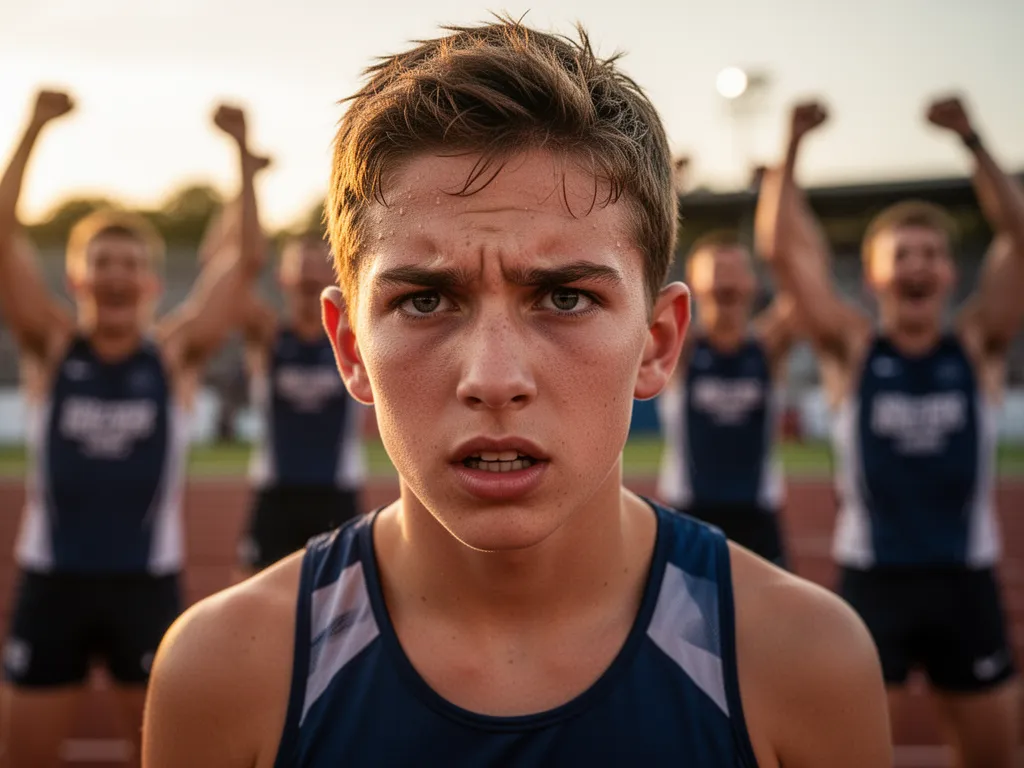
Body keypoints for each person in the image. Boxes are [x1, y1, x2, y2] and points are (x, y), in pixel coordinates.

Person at [142, 20, 891, 767]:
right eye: (426, 301)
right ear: (349, 348)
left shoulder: (805, 662)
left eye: (565, 298)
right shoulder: (224, 672)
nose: (494, 380)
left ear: (658, 343)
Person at [0, 90, 265, 768]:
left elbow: (243, 268)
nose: (116, 276)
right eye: (102, 264)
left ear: (151, 284)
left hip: (144, 588)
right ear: (78, 279)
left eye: (130, 266)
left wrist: (241, 154)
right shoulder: (50, 351)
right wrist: (30, 129)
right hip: (51, 585)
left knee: (162, 757)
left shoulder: (173, 357)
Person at [756, 97, 1022, 766]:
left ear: (951, 273)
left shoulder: (979, 346)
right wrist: (790, 147)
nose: (918, 265)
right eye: (902, 254)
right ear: (873, 275)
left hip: (968, 584)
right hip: (874, 583)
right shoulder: (852, 349)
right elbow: (782, 251)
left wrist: (974, 141)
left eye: (932, 253)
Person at [657, 231, 796, 565]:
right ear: (693, 284)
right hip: (690, 513)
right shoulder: (680, 348)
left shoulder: (768, 347)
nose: (725, 280)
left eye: (735, 270)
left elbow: (801, 293)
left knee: (769, 617)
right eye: (716, 270)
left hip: (757, 515)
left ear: (753, 284)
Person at [236, 232, 367, 573]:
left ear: (336, 274)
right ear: (283, 277)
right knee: (251, 597)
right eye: (301, 265)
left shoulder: (357, 339)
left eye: (319, 265)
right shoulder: (267, 336)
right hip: (276, 491)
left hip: (336, 492)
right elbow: (236, 277)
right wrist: (246, 183)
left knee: (346, 606)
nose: (309, 274)